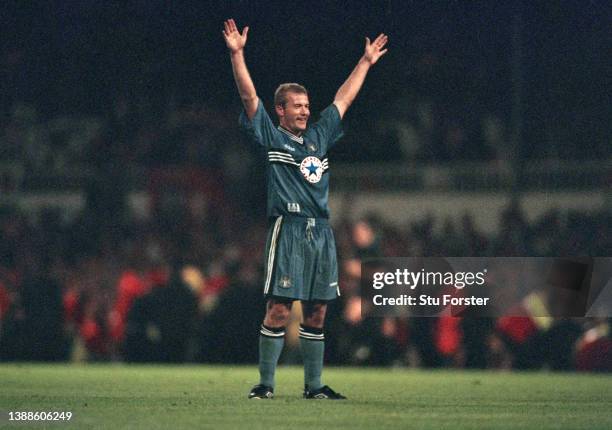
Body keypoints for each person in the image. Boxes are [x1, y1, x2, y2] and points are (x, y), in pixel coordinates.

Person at [223, 18, 388, 399]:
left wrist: (364, 62)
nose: (303, 111)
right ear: (279, 110)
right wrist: (237, 55)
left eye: (306, 105)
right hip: (289, 228)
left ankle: (314, 387)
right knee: (279, 310)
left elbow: (343, 99)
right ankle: (265, 384)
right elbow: (250, 99)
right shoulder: (271, 135)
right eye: (296, 106)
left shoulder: (319, 136)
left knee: (317, 313)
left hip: (321, 232)